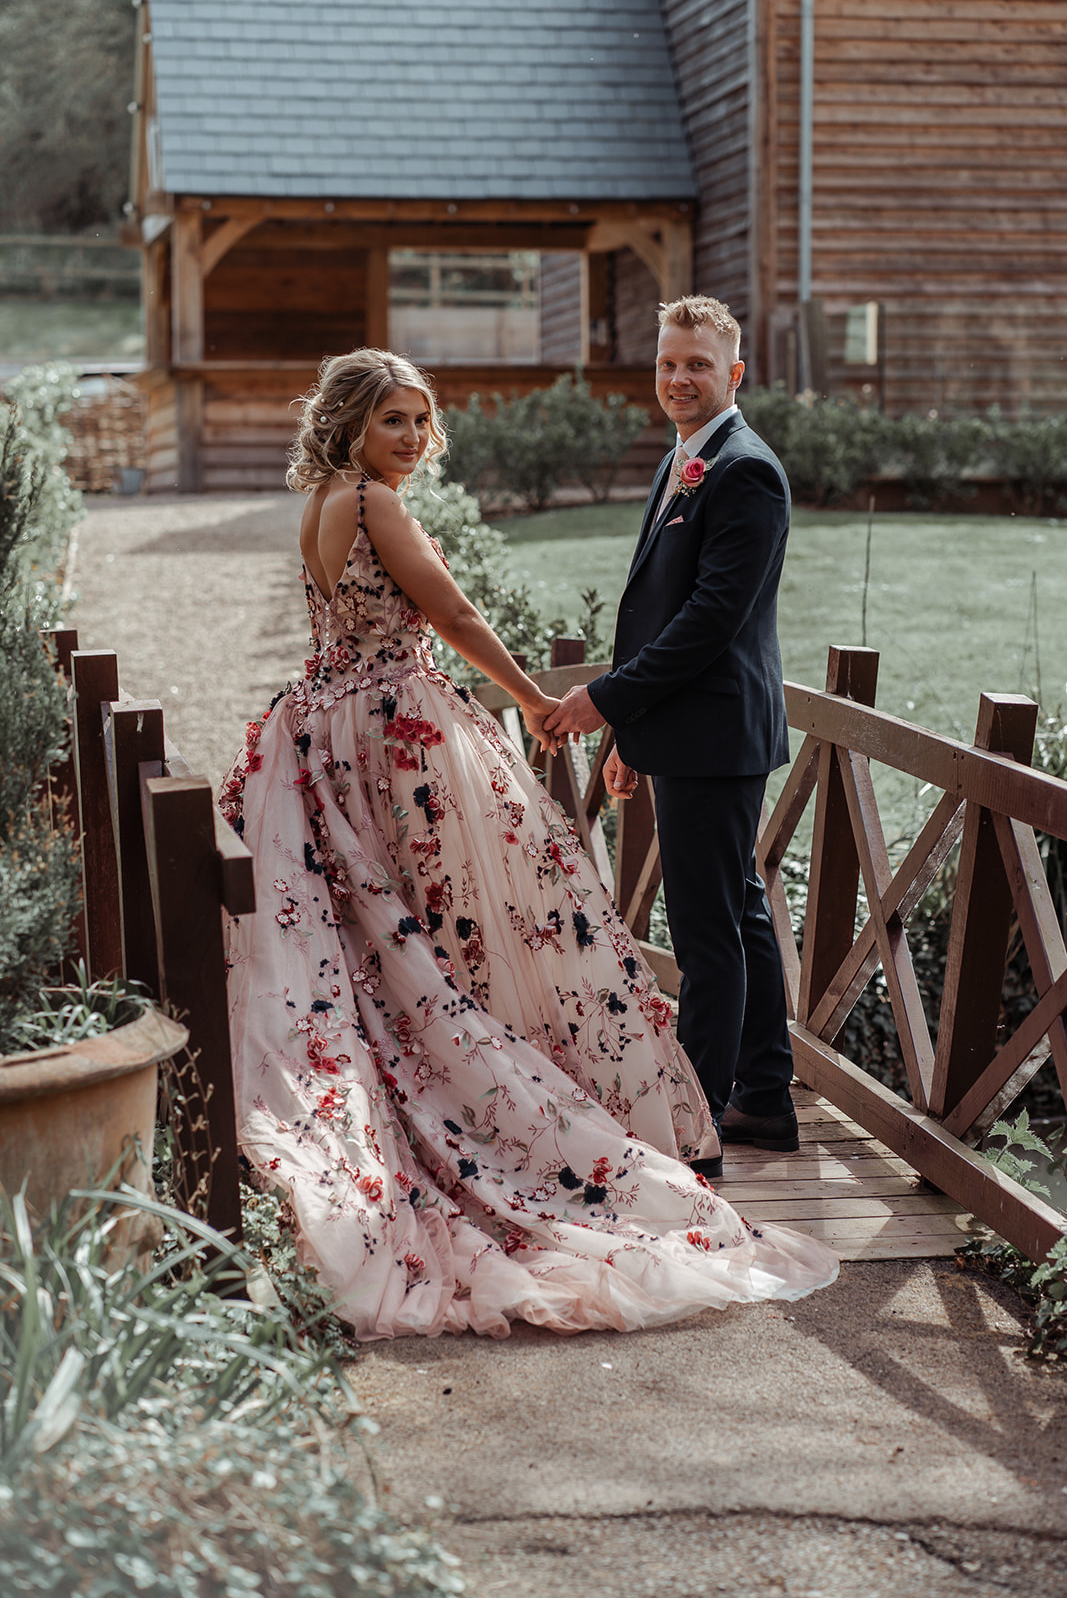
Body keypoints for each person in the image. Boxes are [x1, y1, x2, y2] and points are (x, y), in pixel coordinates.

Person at [219, 347, 836, 1341]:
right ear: (347, 425)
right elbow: (452, 613)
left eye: (421, 421)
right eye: (393, 422)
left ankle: (429, 1070)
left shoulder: (318, 504)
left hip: (328, 729)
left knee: (391, 936)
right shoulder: (374, 504)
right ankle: (479, 1106)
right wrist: (532, 701)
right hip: (398, 730)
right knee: (477, 918)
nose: (412, 440)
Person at [545, 296, 800, 1163]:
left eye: (696, 364)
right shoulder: (684, 461)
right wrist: (630, 736)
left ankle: (694, 1129)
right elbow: (654, 612)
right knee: (737, 912)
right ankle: (764, 1098)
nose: (677, 378)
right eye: (666, 364)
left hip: (716, 731)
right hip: (687, 728)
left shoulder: (744, 470)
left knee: (705, 935)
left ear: (732, 374)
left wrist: (607, 702)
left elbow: (707, 622)